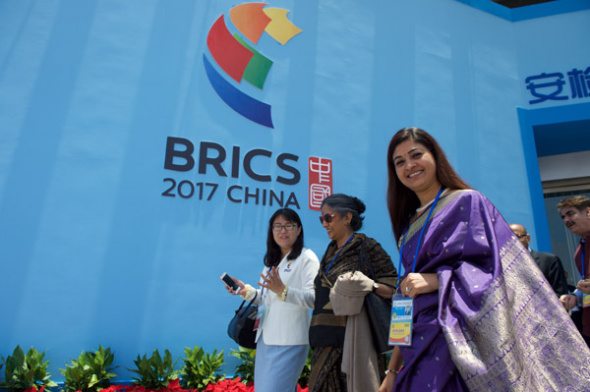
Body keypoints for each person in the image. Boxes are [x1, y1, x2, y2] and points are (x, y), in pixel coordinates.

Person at [379, 127, 590, 392]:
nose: (409, 165)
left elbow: (494, 270)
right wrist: (390, 371)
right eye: (399, 162)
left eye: (416, 155)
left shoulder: (467, 201)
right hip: (419, 334)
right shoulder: (408, 224)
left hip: (459, 336)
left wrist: (438, 279)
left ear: (435, 156)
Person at [308, 193, 397, 392]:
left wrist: (370, 285)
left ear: (347, 218)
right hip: (323, 340)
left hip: (355, 340)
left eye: (328, 217)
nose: (324, 223)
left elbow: (393, 288)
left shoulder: (367, 247)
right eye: (321, 218)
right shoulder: (330, 252)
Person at [225, 208, 319, 392]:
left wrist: (284, 291)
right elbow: (268, 297)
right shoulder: (272, 260)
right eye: (277, 226)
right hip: (265, 339)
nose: (282, 231)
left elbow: (315, 299)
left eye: (288, 226)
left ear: (298, 230)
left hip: (290, 341)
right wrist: (245, 291)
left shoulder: (307, 258)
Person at [557, 195, 590, 346]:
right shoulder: (580, 251)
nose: (566, 221)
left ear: (588, 212)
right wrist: (575, 297)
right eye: (563, 217)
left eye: (570, 214)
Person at [509, 223, 569, 296]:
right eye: (508, 238)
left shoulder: (549, 260)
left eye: (517, 237)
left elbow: (560, 294)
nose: (513, 241)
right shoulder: (500, 266)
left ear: (528, 238)